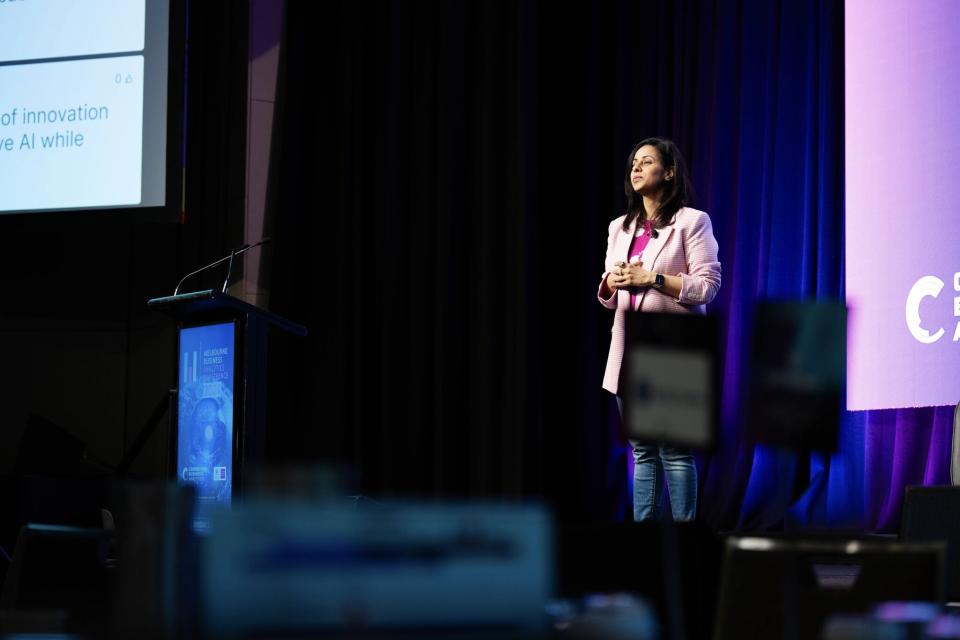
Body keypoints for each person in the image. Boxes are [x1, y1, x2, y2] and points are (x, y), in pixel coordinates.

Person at [597, 137, 721, 522]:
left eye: (646, 161)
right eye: (633, 162)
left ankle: (684, 545)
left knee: (675, 451)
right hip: (628, 351)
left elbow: (707, 285)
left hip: (671, 350)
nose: (635, 168)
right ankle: (645, 547)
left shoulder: (692, 222)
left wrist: (652, 278)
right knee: (642, 451)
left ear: (668, 172)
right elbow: (609, 287)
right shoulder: (620, 227)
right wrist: (610, 283)